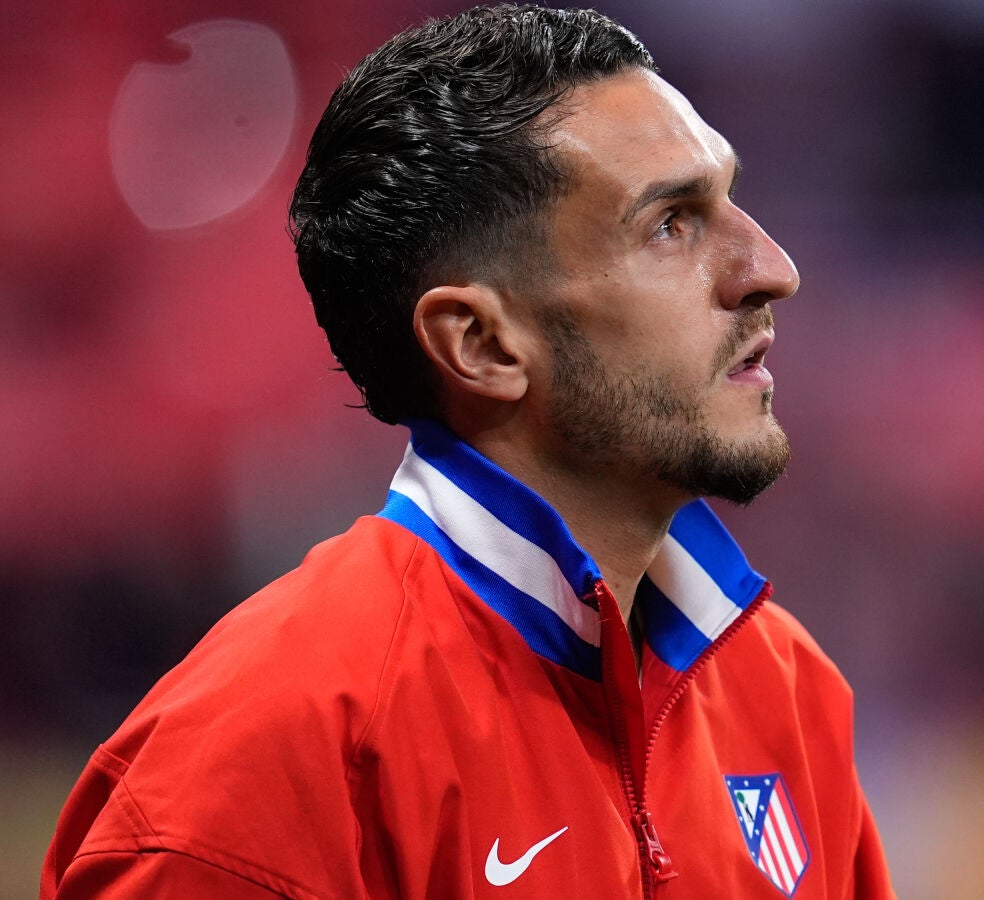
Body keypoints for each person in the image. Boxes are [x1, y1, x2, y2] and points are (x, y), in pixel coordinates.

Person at [40, 5, 894, 898]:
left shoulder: (782, 689)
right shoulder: (268, 756)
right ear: (482, 345)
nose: (771, 268)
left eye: (727, 200)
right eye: (670, 224)